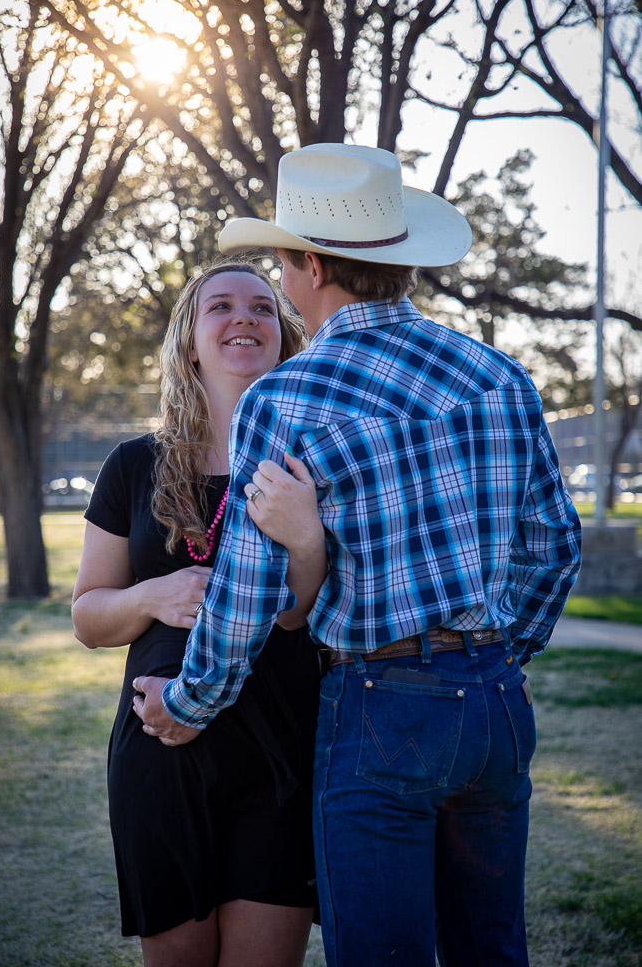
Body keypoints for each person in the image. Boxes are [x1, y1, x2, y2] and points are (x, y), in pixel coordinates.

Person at [134, 143, 582, 967]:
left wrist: (189, 702)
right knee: (491, 946)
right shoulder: (499, 375)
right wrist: (500, 652)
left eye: (281, 262)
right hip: (492, 705)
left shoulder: (290, 394)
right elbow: (553, 546)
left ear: (308, 265)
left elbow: (245, 590)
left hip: (378, 705)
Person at [72, 260, 328, 967]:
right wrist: (151, 596)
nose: (243, 317)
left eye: (261, 307)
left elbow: (298, 617)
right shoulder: (132, 464)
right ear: (189, 339)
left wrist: (305, 539)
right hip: (161, 753)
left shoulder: (313, 461)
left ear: (283, 336)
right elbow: (88, 617)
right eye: (220, 307)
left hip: (280, 748)